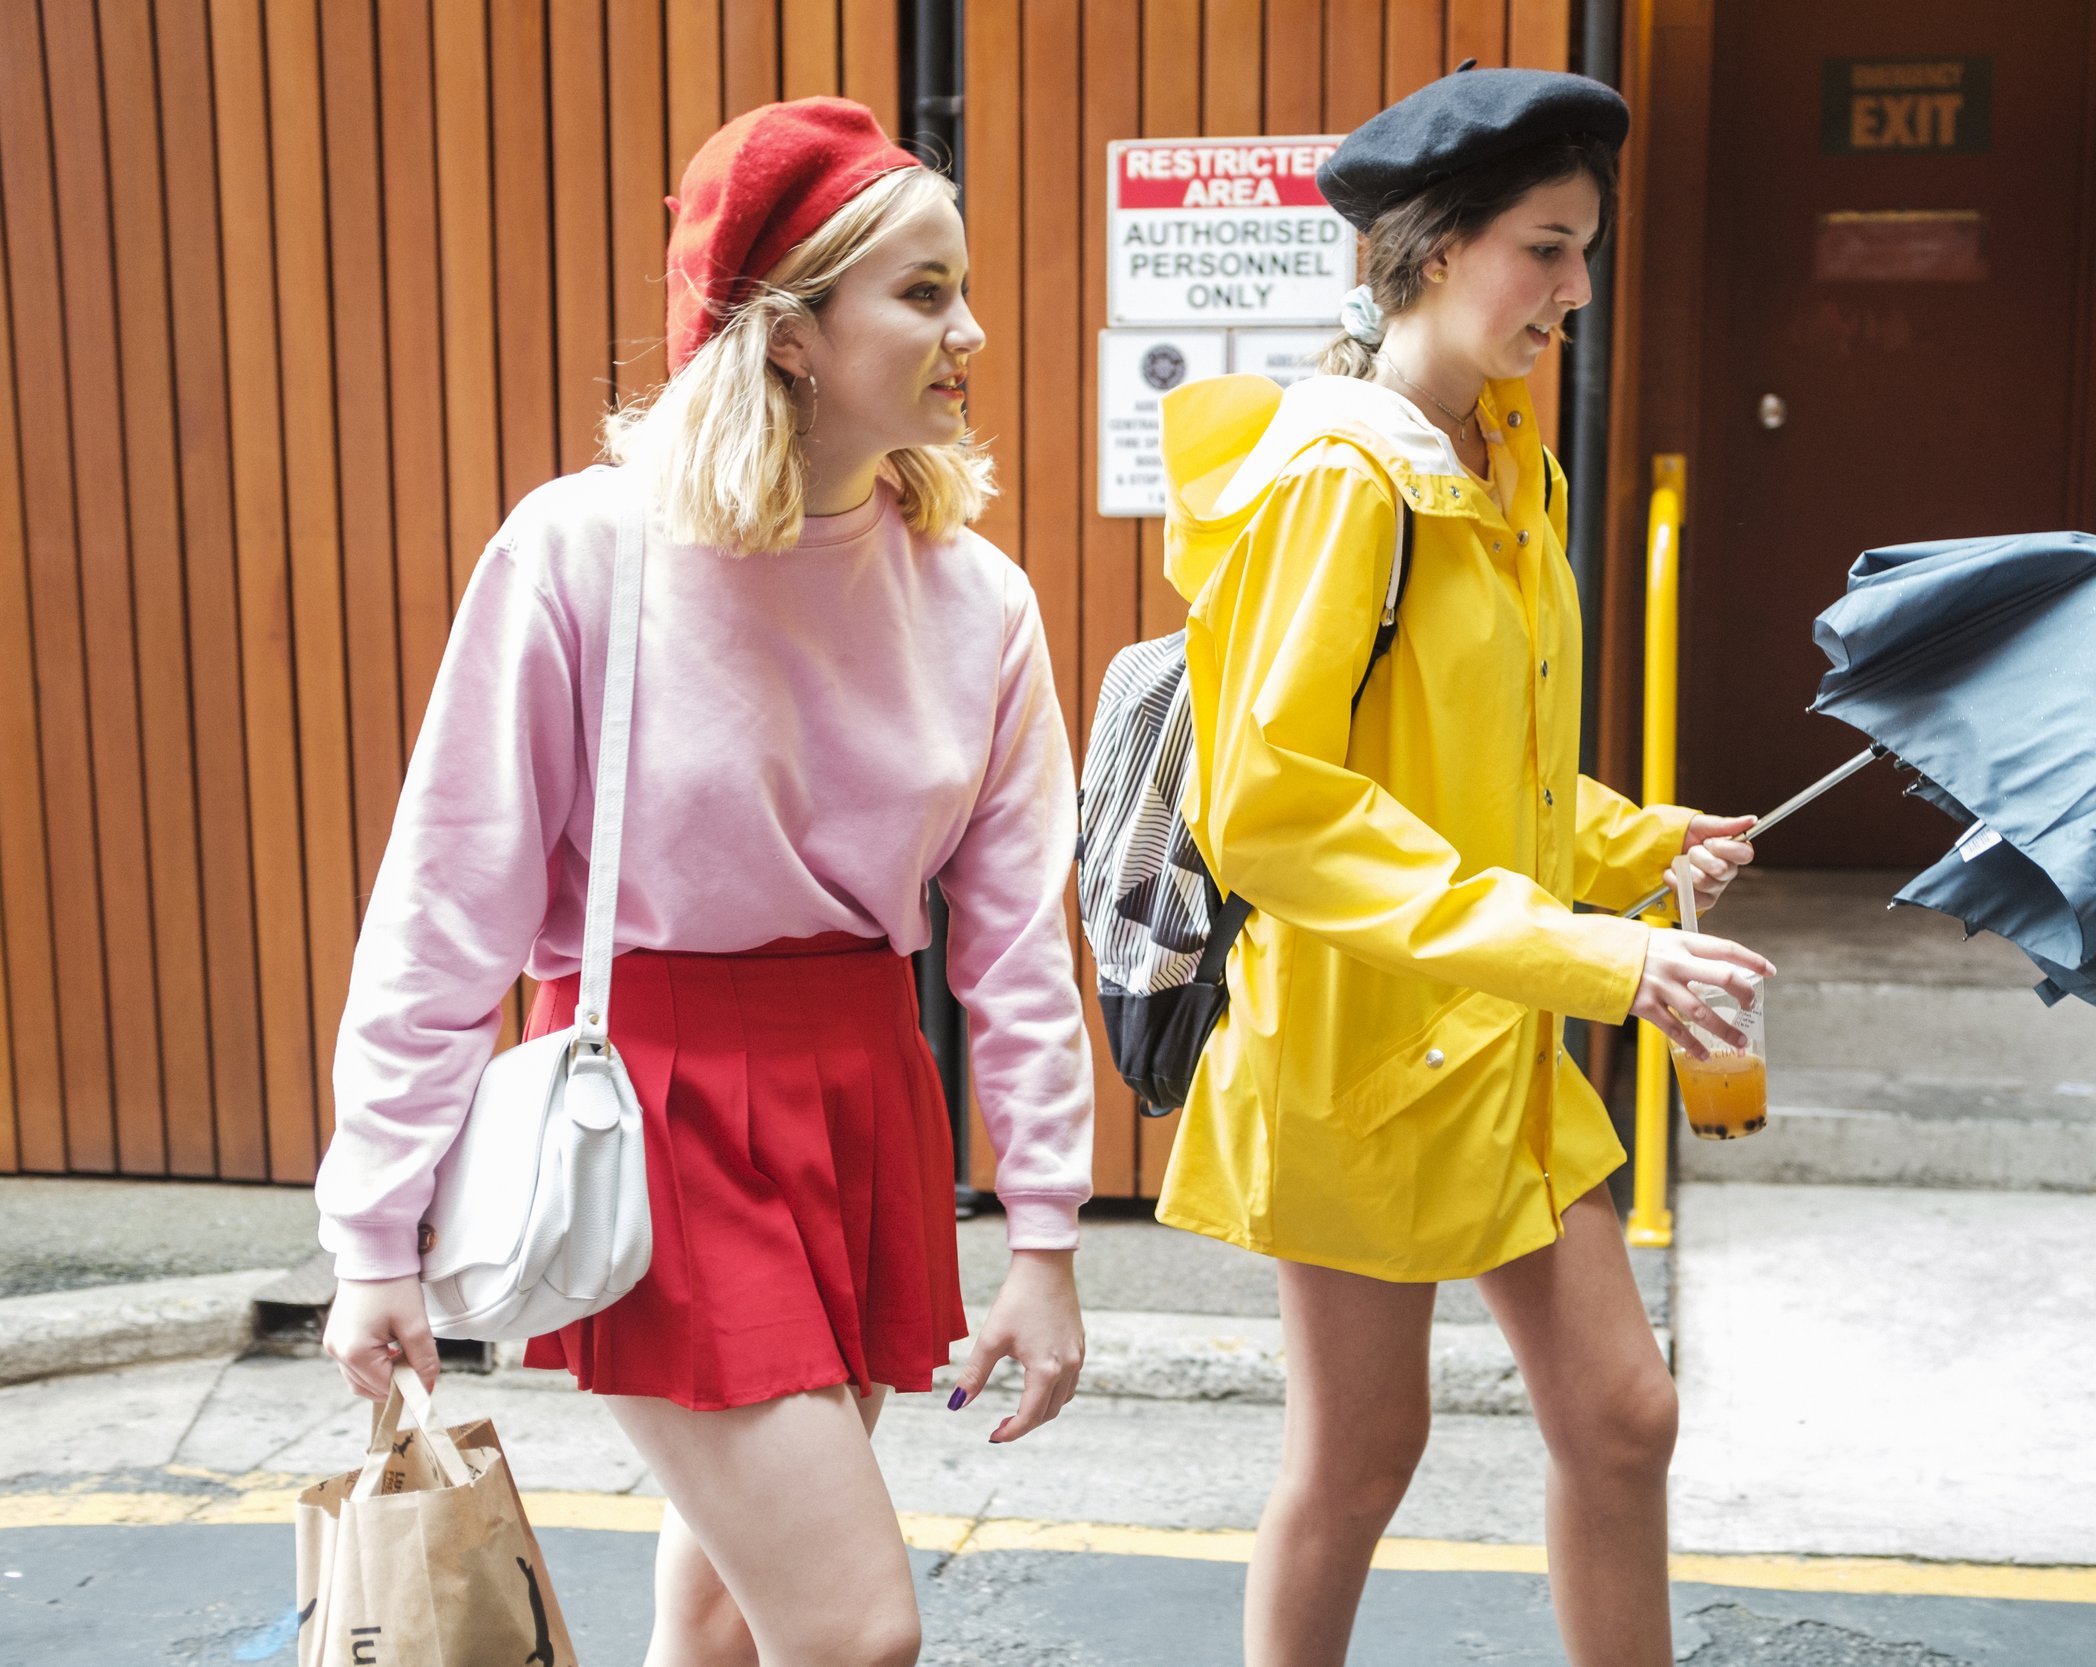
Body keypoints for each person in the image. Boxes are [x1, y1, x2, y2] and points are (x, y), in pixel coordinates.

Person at [313, 98, 1093, 1667]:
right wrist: (373, 1239)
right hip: (654, 1111)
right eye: (926, 293)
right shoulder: (585, 553)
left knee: (728, 1619)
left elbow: (1014, 948)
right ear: (791, 333)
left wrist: (1049, 1234)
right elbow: (447, 900)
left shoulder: (979, 599)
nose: (974, 330)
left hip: (867, 1097)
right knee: (857, 1629)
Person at [1153, 65, 1775, 1667]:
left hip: (1485, 1033)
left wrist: (1643, 843)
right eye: (1545, 251)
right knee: (1362, 1462)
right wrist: (1605, 959)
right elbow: (1275, 807)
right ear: (1434, 252)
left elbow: (1479, 774)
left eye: (1584, 253)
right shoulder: (1344, 479)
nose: (1577, 291)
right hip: (1359, 1055)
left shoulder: (1498, 459)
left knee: (1624, 1418)